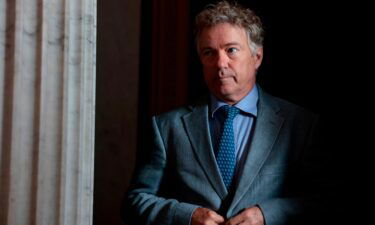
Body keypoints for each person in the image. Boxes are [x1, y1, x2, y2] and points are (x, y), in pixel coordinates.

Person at [122, 1, 327, 225]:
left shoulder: (300, 124)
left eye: (231, 50)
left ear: (257, 57)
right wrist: (188, 217)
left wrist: (266, 215)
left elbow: (326, 201)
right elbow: (135, 201)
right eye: (209, 52)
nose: (220, 63)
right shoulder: (167, 127)